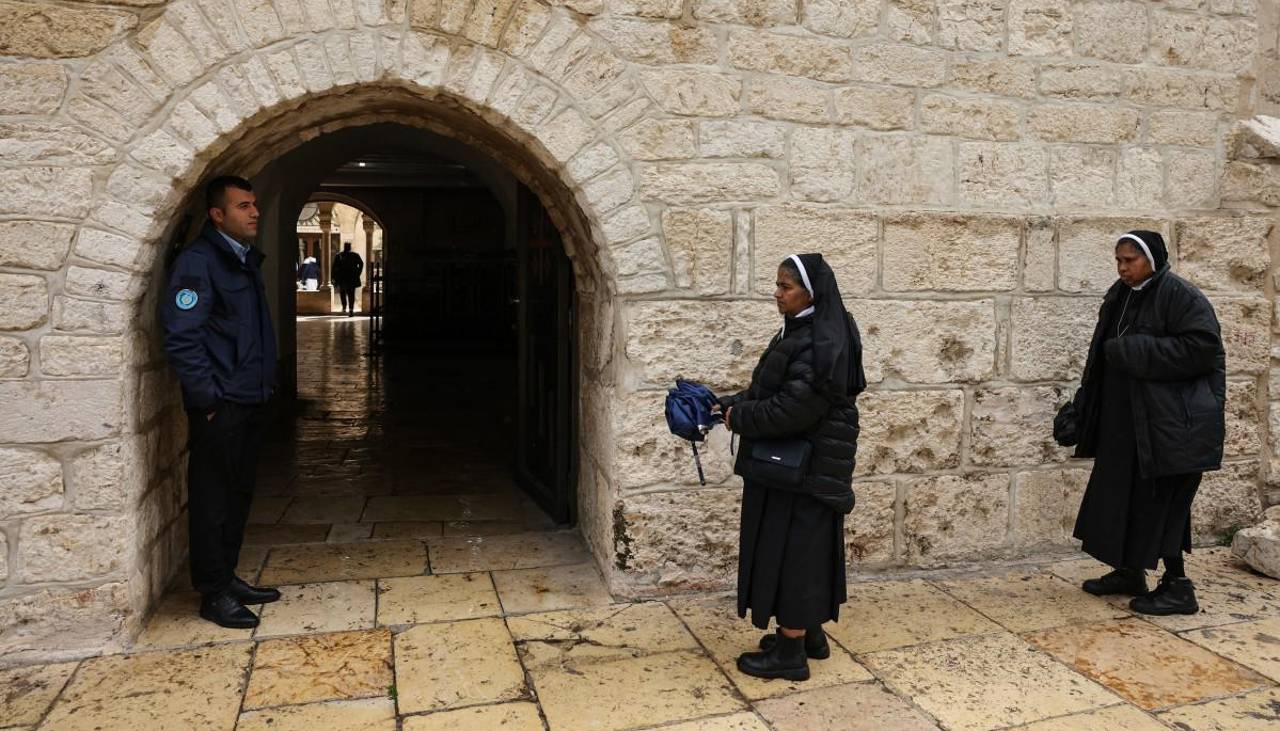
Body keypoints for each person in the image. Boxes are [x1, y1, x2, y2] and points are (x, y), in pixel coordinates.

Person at [1056, 230, 1225, 616]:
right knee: (1121, 499)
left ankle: (1179, 587)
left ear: (1152, 258)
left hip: (1169, 429)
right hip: (1127, 424)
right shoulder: (1119, 295)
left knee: (1163, 507)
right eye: (1118, 260)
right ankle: (1130, 571)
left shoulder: (1181, 296)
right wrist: (1082, 408)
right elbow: (1101, 358)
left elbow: (1202, 350)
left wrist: (1134, 349)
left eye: (1129, 260)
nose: (1122, 267)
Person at [715, 253, 865, 681]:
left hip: (802, 470)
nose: (777, 293)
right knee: (806, 551)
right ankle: (808, 634)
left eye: (786, 286)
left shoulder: (819, 340)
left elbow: (793, 409)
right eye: (778, 285)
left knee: (796, 556)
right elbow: (774, 388)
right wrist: (732, 403)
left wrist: (738, 418)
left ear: (810, 293)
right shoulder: (808, 330)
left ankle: (789, 653)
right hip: (804, 469)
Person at [160, 175, 281, 629]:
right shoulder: (199, 263)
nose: (254, 212)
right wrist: (207, 397)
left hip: (251, 397)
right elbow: (182, 335)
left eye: (255, 204)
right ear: (217, 214)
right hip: (223, 403)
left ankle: (228, 578)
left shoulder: (242, 260)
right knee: (212, 498)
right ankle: (213, 593)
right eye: (243, 206)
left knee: (238, 493)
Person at [332, 242, 364, 316]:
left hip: (343, 278)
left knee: (343, 293)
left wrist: (334, 277)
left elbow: (334, 267)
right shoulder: (354, 255)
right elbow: (361, 264)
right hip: (351, 278)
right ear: (350, 247)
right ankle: (350, 309)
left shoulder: (339, 255)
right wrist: (358, 273)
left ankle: (345, 308)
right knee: (350, 294)